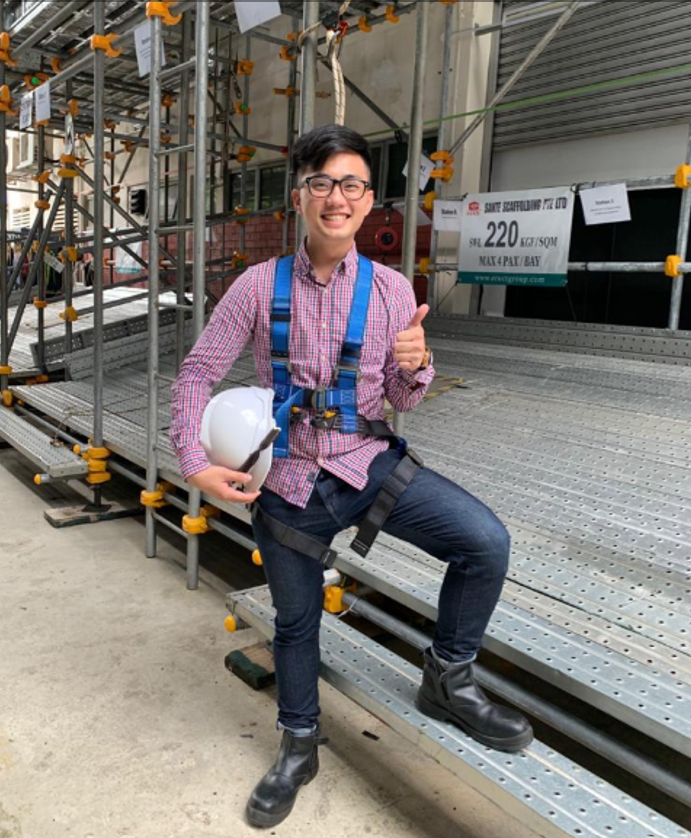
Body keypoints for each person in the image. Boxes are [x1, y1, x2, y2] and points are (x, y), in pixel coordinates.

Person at [170, 124, 533, 830]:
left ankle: (448, 678)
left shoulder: (393, 289)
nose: (336, 198)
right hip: (288, 483)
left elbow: (400, 401)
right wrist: (193, 464)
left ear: (368, 201)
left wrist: (415, 362)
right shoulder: (255, 287)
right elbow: (197, 373)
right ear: (299, 197)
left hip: (371, 466)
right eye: (320, 183)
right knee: (296, 622)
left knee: (484, 542)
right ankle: (299, 742)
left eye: (351, 184)